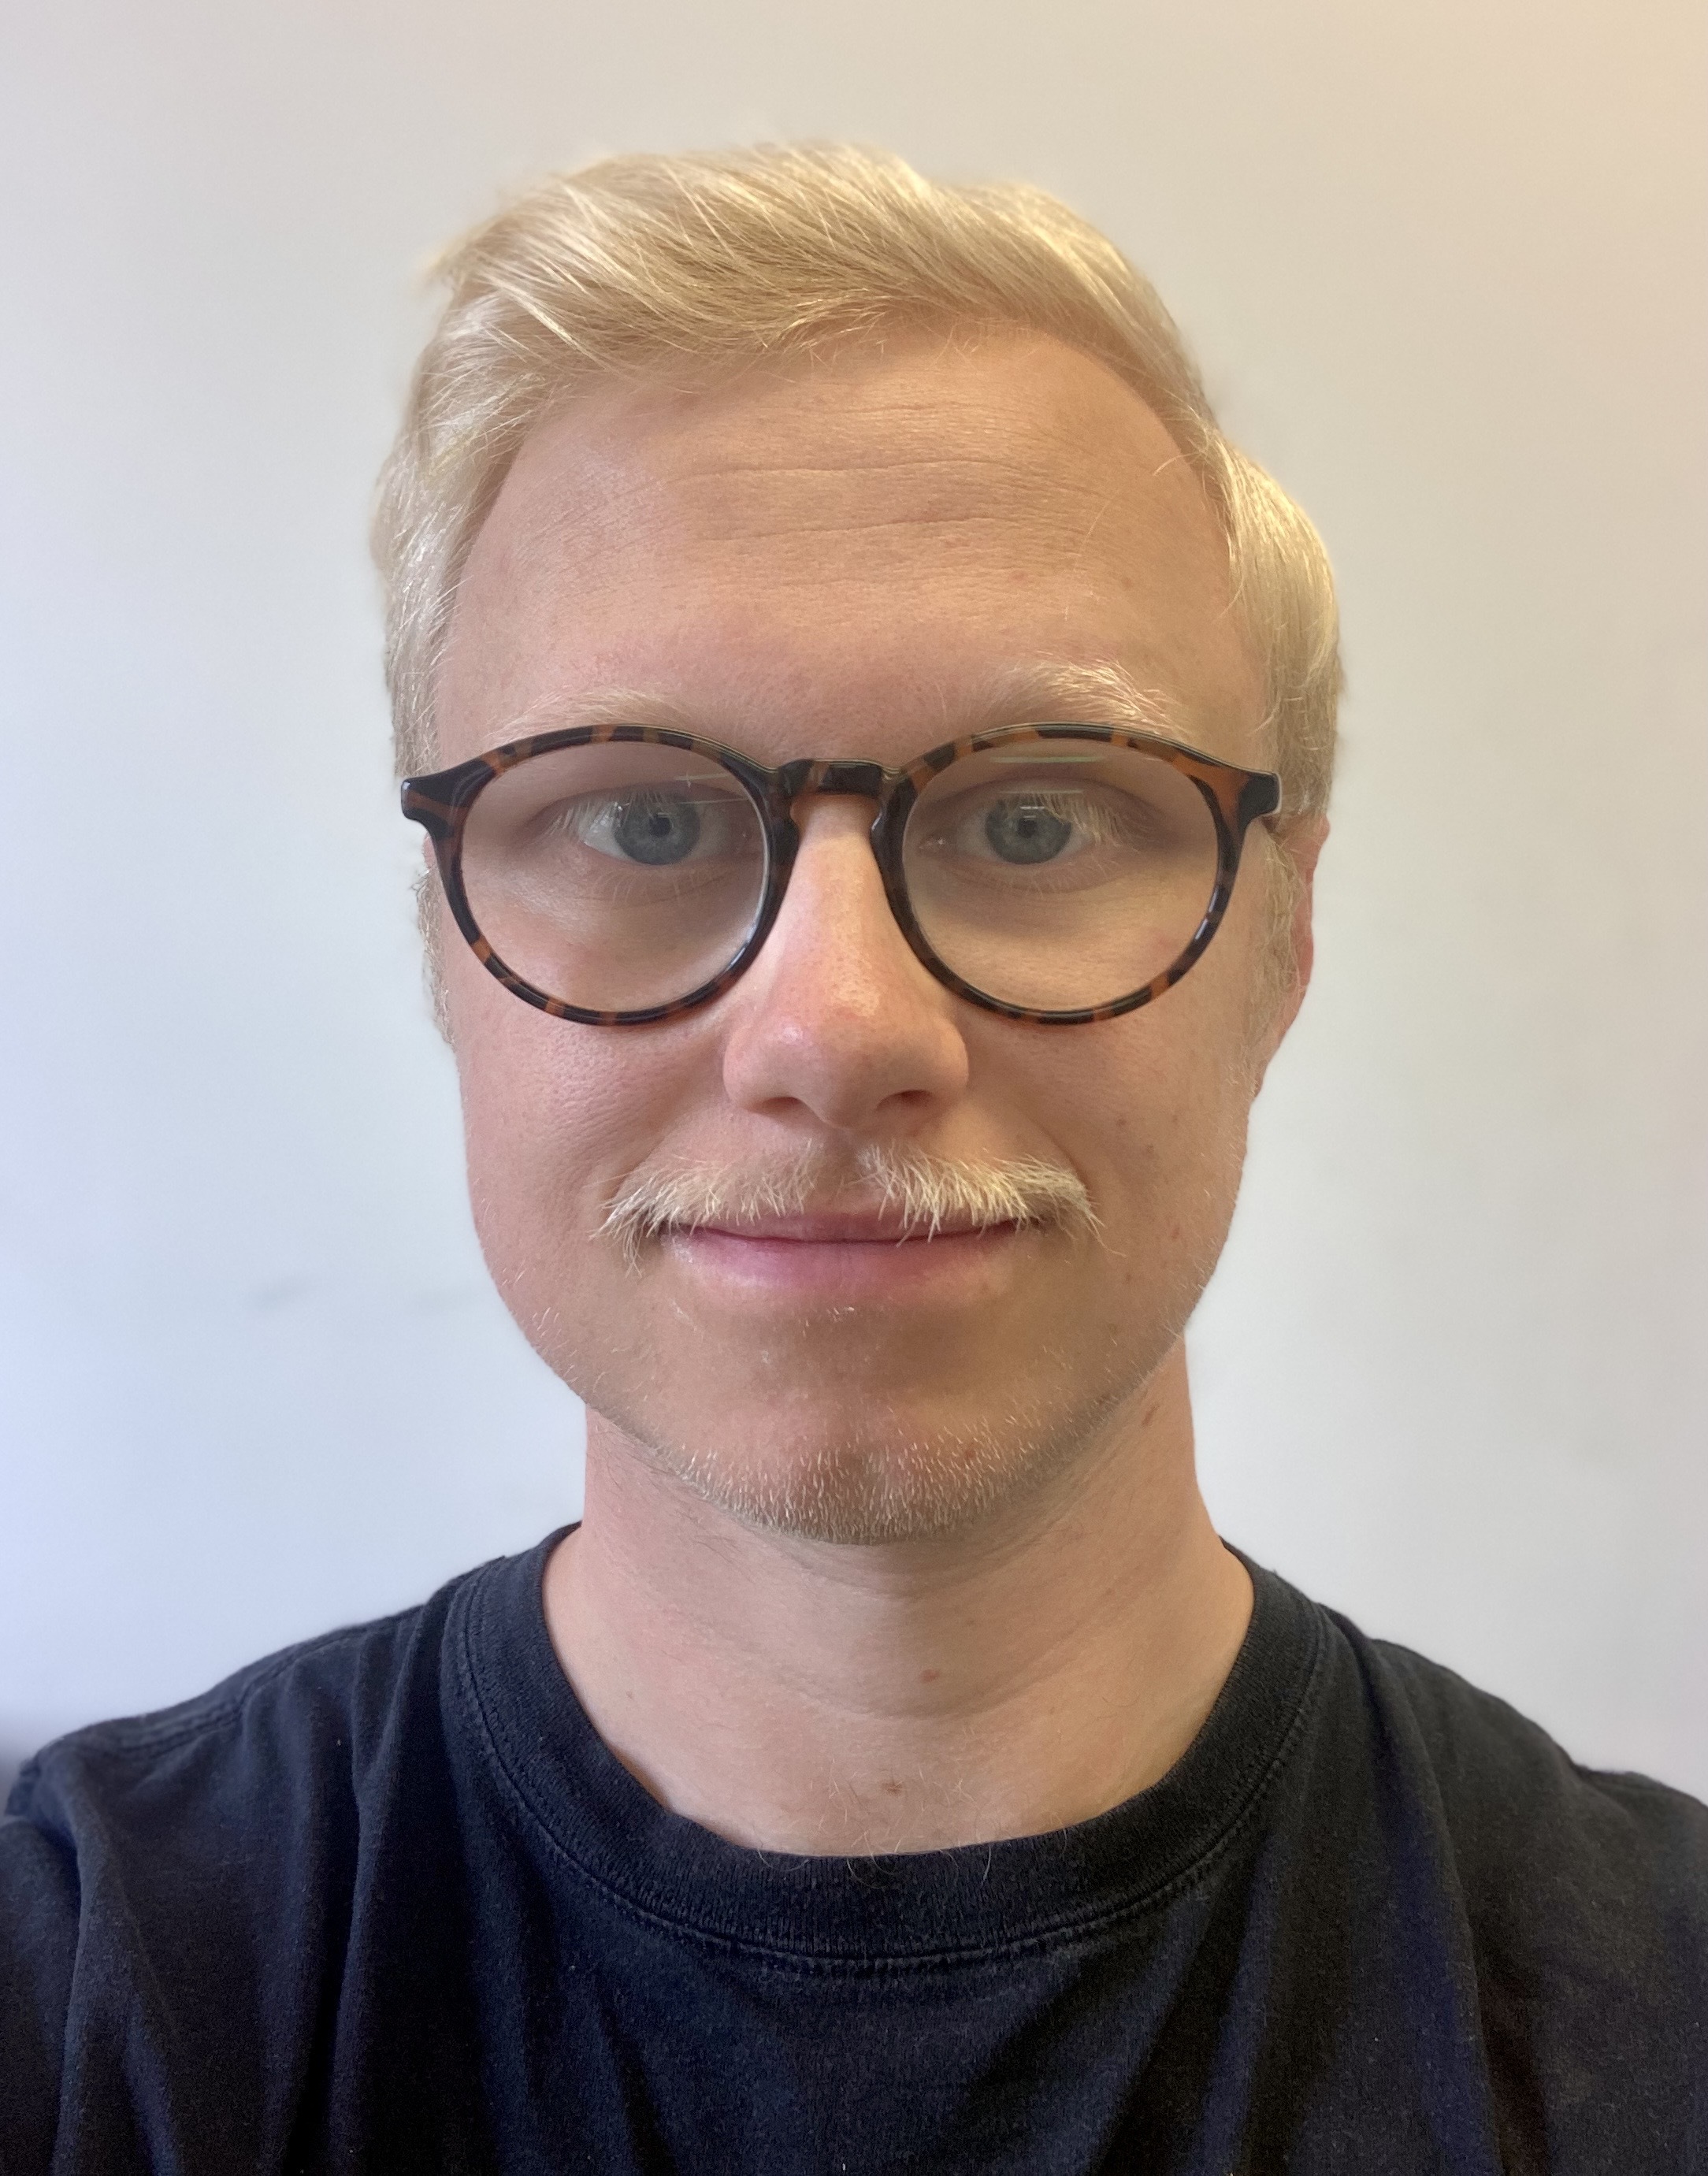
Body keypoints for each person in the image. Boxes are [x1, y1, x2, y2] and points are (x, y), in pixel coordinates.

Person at [2, 143, 1702, 2174]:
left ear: (1285, 942)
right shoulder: (81, 1992)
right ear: (445, 945)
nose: (836, 1031)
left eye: (1038, 818)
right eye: (639, 819)